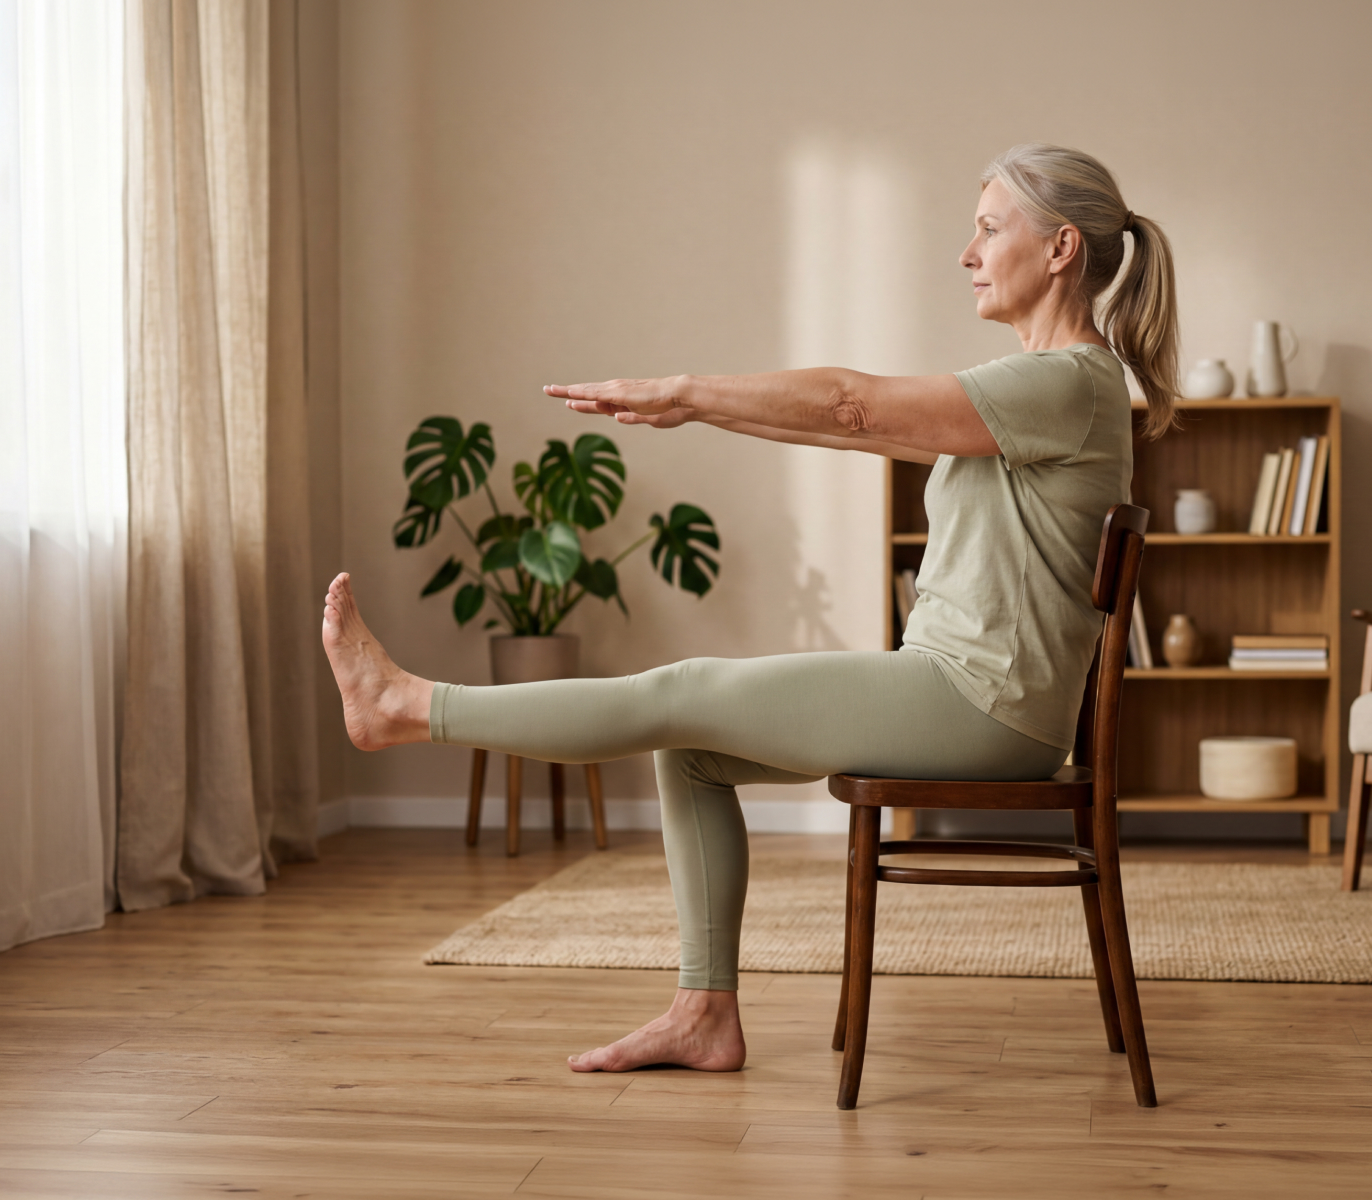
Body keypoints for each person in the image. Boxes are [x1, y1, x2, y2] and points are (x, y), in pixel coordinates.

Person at [322, 143, 1179, 1074]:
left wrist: (688, 389)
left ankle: (409, 707)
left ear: (1058, 249)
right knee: (691, 751)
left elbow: (851, 405)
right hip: (968, 691)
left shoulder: (1062, 384)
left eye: (986, 228)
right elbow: (854, 426)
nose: (966, 252)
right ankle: (704, 1013)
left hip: (982, 701)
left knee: (681, 688)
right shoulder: (1042, 388)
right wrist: (695, 412)